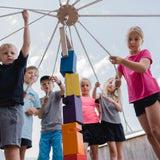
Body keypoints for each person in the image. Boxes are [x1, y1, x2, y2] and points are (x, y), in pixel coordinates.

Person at [110, 26, 160, 159]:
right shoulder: (122, 64)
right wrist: (117, 83)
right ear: (126, 41)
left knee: (156, 130)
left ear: (141, 41)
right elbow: (116, 81)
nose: (132, 42)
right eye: (130, 39)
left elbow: (142, 68)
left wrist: (122, 61)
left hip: (149, 92)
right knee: (149, 134)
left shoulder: (144, 53)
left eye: (136, 39)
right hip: (136, 99)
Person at [0, 10, 30, 160]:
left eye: (12, 52)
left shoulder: (18, 66)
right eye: (5, 53)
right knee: (6, 148)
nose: (9, 54)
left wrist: (26, 22)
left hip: (12, 109)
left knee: (11, 147)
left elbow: (26, 45)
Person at [92, 78, 125, 160]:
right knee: (113, 151)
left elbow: (120, 109)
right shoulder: (101, 95)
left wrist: (113, 102)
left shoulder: (116, 98)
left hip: (117, 125)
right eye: (110, 82)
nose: (111, 84)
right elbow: (93, 96)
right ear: (106, 83)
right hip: (107, 125)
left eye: (113, 84)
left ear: (115, 88)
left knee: (119, 152)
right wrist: (95, 87)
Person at [37, 75, 65, 160]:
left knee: (58, 155)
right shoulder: (40, 100)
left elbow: (63, 91)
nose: (46, 85)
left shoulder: (56, 95)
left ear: (53, 85)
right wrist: (44, 104)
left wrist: (59, 82)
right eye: (44, 84)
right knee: (42, 156)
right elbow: (39, 115)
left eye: (49, 83)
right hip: (44, 131)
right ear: (41, 87)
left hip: (57, 130)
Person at [80, 78, 106, 160]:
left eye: (87, 85)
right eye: (82, 85)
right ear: (79, 88)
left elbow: (100, 111)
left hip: (94, 126)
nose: (85, 87)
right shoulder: (78, 98)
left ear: (90, 87)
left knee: (94, 152)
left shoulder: (93, 99)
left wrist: (99, 119)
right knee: (83, 150)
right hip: (83, 126)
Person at [20, 66, 41, 160]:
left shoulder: (35, 94)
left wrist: (34, 110)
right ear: (23, 74)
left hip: (26, 128)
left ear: (36, 79)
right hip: (14, 123)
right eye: (30, 73)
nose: (33, 75)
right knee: (12, 149)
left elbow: (38, 111)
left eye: (35, 75)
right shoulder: (17, 86)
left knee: (22, 152)